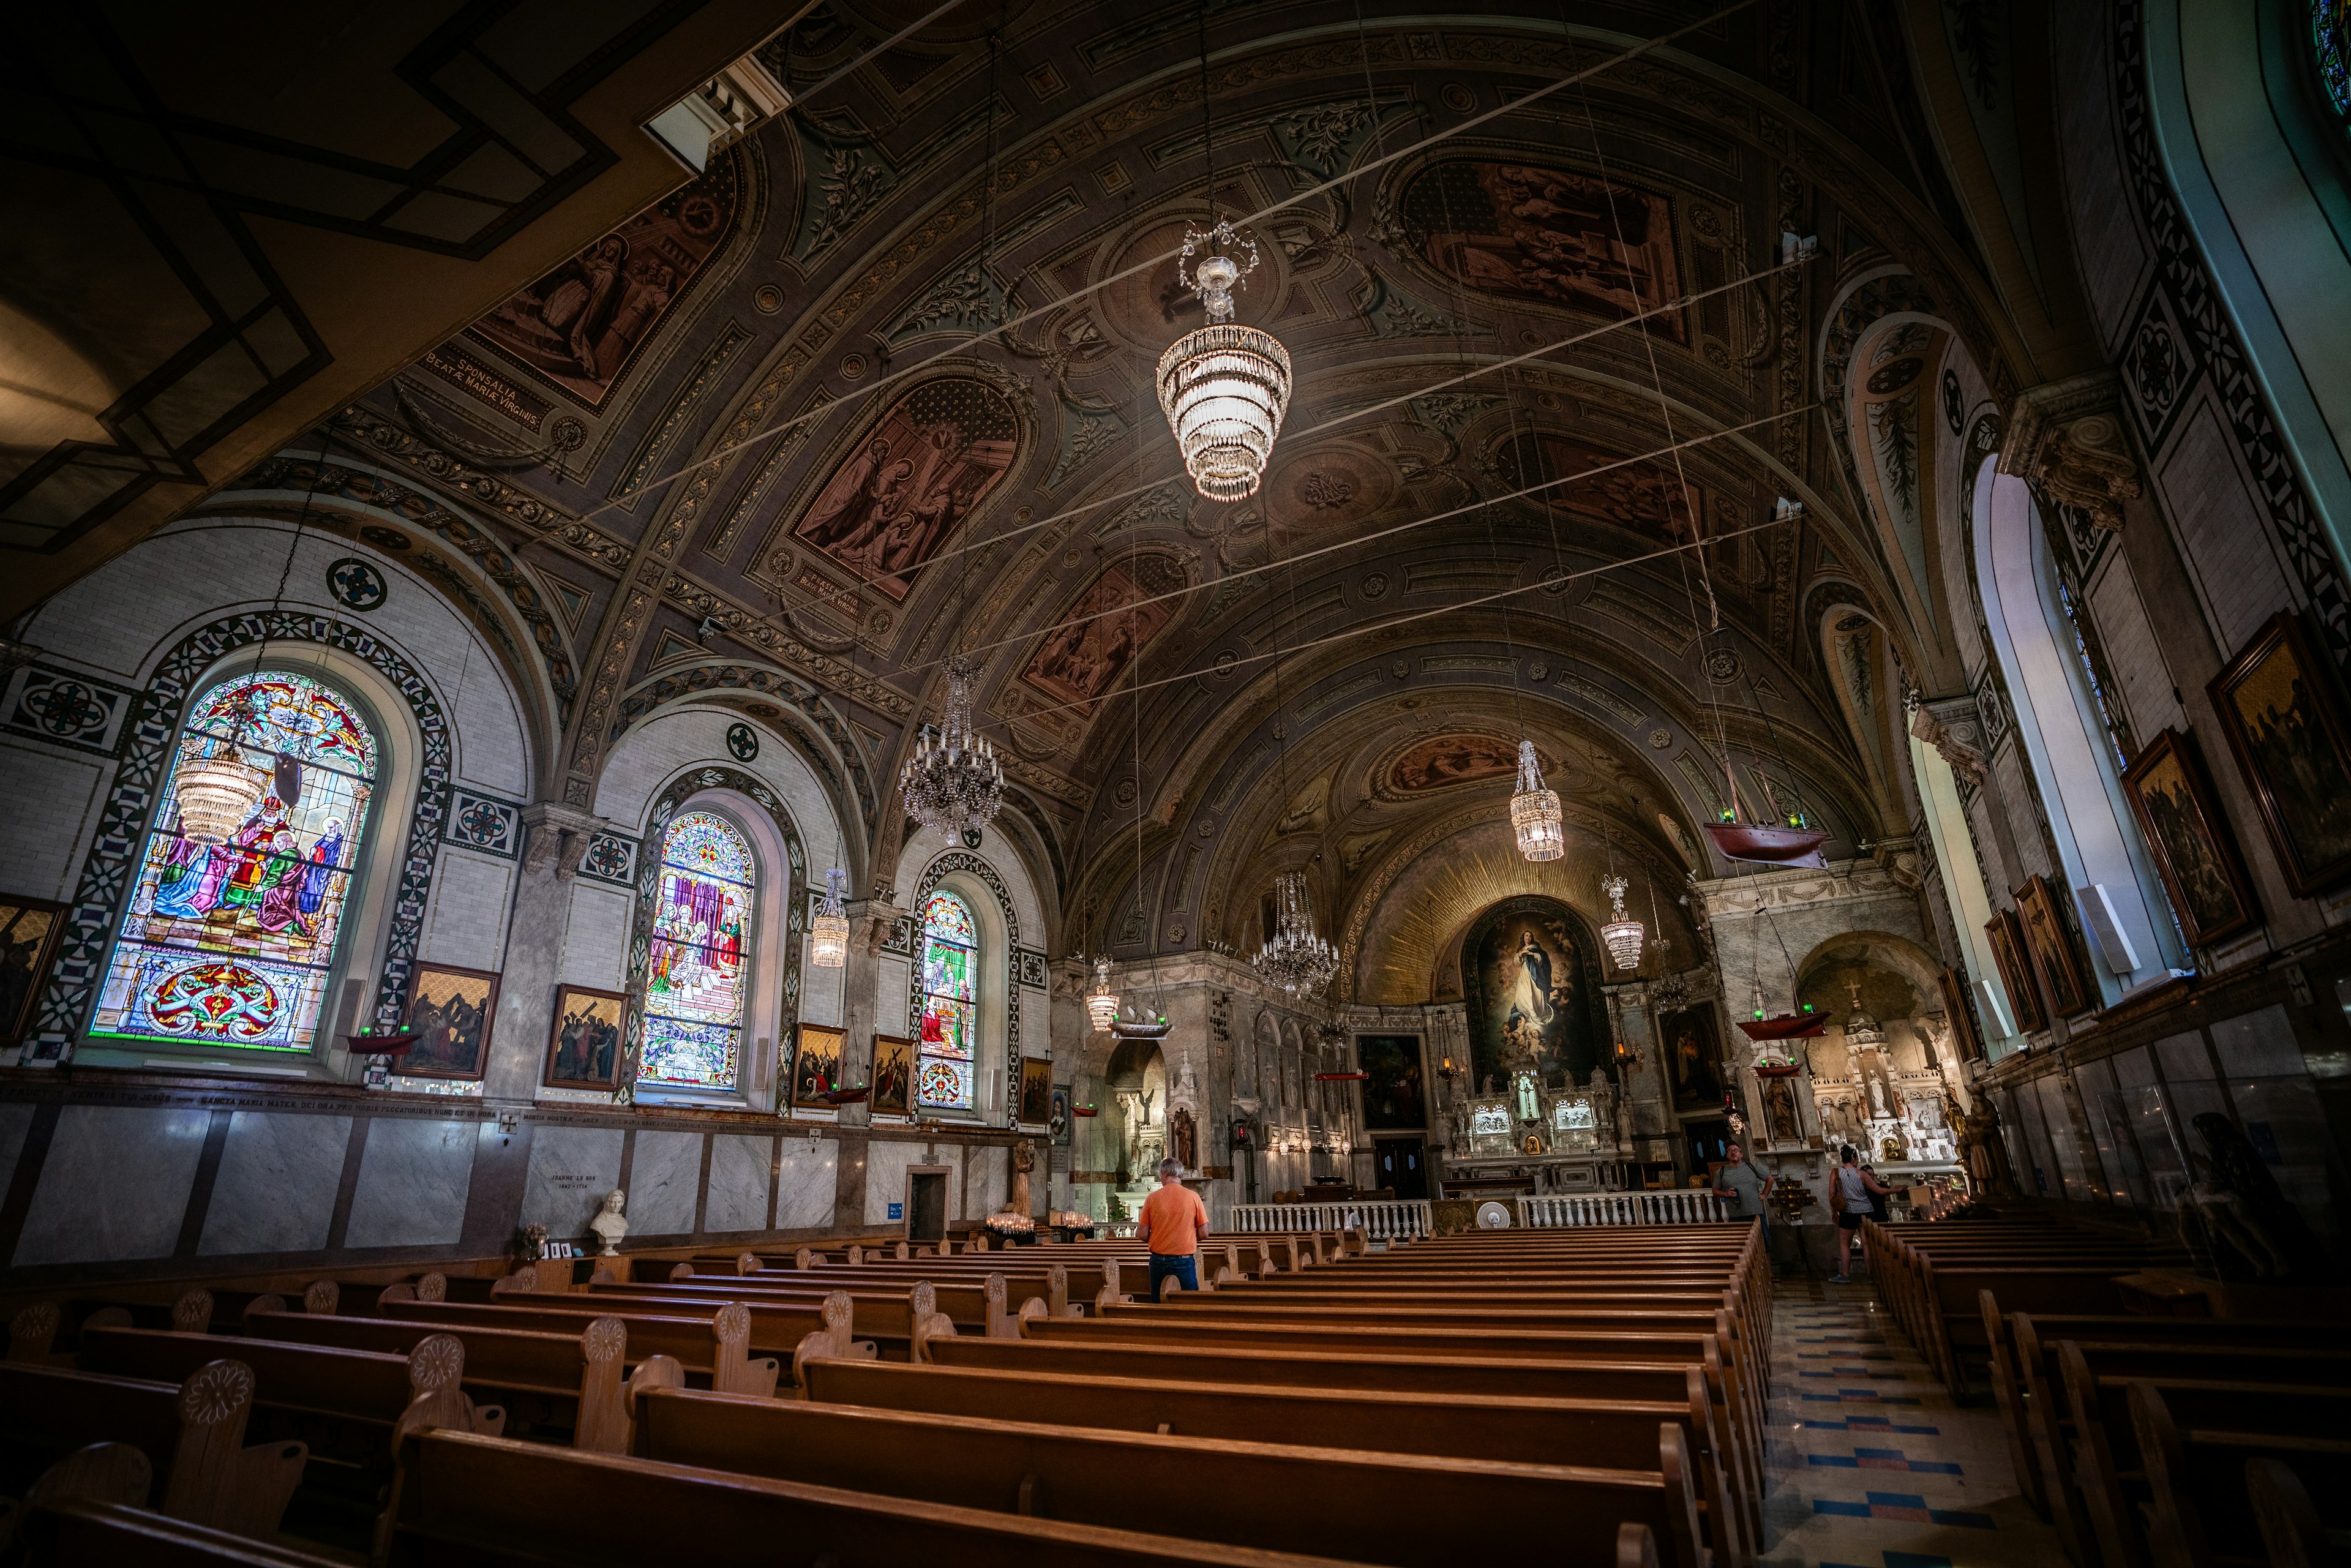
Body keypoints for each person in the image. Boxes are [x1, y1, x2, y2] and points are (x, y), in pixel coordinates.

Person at [1136, 1157, 1210, 1298]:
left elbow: (1142, 1234)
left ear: (1164, 1175)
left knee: (1159, 1303)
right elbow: (1204, 1233)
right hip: (1184, 1260)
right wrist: (1187, 1237)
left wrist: (1160, 1238)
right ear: (1180, 1175)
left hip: (1158, 1261)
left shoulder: (1152, 1198)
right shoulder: (1193, 1197)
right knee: (1189, 1303)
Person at [1830, 1145, 1894, 1283]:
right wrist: (1896, 1189)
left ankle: (1845, 1275)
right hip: (1866, 1211)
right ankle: (1871, 1275)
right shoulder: (1861, 1174)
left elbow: (1832, 1196)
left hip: (1848, 1212)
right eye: (1857, 1160)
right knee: (1867, 1245)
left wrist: (1834, 1212)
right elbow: (1879, 1190)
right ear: (1853, 1159)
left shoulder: (1836, 1173)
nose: (1858, 1162)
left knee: (1844, 1244)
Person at [1712, 1142, 1767, 1237]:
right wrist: (1726, 1193)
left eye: (1736, 1150)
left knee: (1762, 1238)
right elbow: (1715, 1190)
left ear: (1741, 1154)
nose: (1733, 1153)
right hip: (1735, 1214)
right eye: (1730, 1151)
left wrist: (1764, 1194)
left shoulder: (1751, 1167)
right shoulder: (1721, 1171)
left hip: (1755, 1212)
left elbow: (1770, 1179)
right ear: (1727, 1155)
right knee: (1741, 1240)